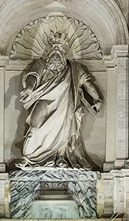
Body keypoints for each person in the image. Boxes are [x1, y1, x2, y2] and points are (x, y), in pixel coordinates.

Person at [17, 32, 103, 168]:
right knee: (35, 126)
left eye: (59, 51)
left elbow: (87, 85)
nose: (56, 53)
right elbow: (32, 76)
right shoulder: (40, 64)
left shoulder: (75, 69)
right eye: (54, 50)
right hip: (44, 101)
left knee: (65, 129)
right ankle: (30, 157)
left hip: (66, 106)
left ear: (64, 54)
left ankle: (60, 157)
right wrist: (29, 87)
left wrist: (98, 99)